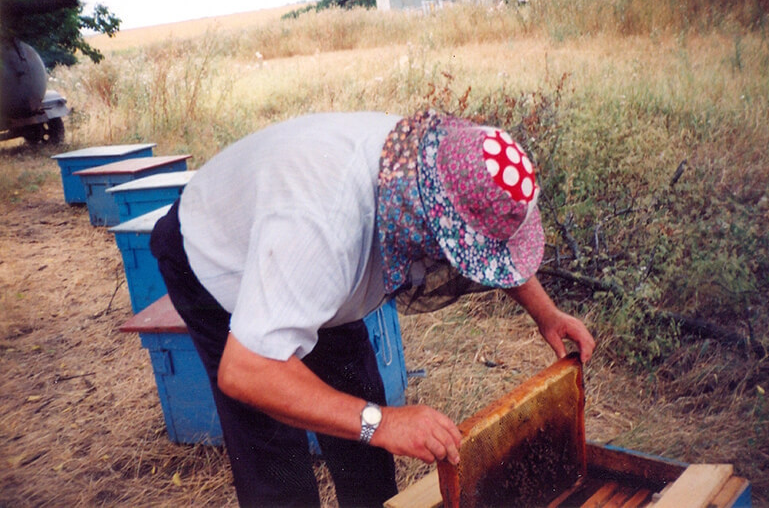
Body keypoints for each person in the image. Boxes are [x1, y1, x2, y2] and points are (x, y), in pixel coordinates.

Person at [150, 109, 596, 507]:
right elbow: (246, 371)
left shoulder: (438, 165)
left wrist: (546, 314)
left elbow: (489, 238)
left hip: (303, 251)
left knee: (361, 421)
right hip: (214, 257)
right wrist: (382, 424)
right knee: (276, 454)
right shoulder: (321, 229)